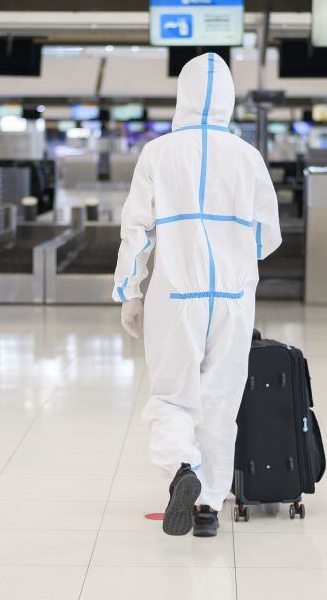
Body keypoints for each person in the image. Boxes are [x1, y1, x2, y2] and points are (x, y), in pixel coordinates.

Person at [112, 52, 282, 537]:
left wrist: (130, 291)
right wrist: (230, 250)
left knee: (171, 396)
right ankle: (207, 507)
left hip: (176, 294)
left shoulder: (158, 153)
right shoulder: (248, 156)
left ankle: (181, 469)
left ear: (182, 95)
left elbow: (136, 229)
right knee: (219, 403)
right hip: (231, 298)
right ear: (229, 99)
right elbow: (266, 237)